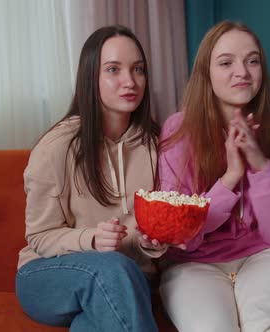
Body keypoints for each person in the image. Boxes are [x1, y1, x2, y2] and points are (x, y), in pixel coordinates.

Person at [157, 21, 270, 331]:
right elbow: (182, 237)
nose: (242, 71)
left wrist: (259, 165)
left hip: (266, 255)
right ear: (206, 74)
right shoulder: (178, 131)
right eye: (226, 62)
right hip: (194, 264)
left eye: (252, 60)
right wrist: (231, 176)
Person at [15, 25, 171, 332]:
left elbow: (159, 233)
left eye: (137, 69)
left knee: (98, 314)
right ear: (91, 77)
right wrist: (91, 239)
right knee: (113, 269)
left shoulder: (158, 145)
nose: (130, 81)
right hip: (46, 276)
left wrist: (153, 243)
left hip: (124, 281)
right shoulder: (57, 145)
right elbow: (39, 237)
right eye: (114, 69)